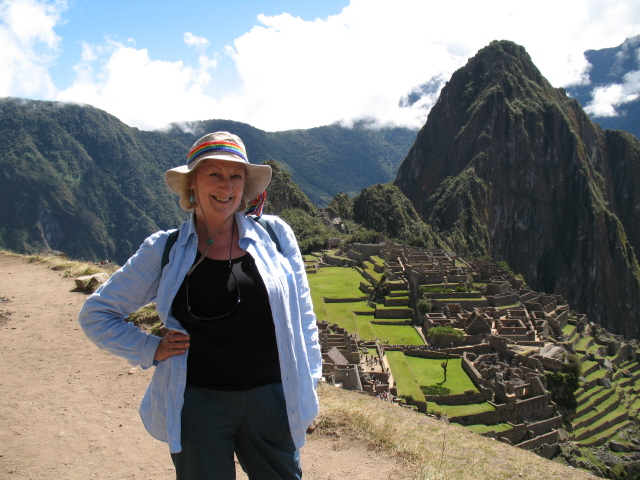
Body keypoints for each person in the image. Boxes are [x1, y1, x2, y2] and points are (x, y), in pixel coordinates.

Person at [78, 132, 322, 479]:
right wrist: (151, 348)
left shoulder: (275, 236)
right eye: (215, 175)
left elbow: (303, 317)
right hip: (198, 403)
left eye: (235, 175)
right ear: (192, 184)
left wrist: (308, 387)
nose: (227, 186)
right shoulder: (165, 250)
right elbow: (96, 314)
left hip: (271, 400)